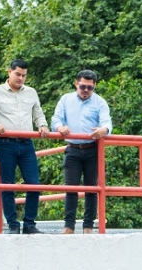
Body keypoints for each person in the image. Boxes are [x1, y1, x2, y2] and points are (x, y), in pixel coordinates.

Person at [0, 59, 49, 234]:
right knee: (7, 185)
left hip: (27, 143)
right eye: (18, 74)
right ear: (9, 72)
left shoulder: (31, 92)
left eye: (24, 75)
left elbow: (38, 114)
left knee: (34, 184)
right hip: (6, 143)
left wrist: (42, 125)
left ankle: (29, 223)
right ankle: (12, 224)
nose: (20, 78)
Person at [51, 69, 112, 234]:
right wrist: (59, 127)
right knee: (71, 188)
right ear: (76, 83)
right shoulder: (66, 99)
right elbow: (56, 118)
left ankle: (88, 227)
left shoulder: (100, 102)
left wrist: (103, 130)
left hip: (93, 149)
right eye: (83, 86)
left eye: (90, 88)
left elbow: (107, 122)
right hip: (73, 149)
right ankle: (69, 227)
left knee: (91, 189)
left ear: (95, 87)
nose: (86, 90)